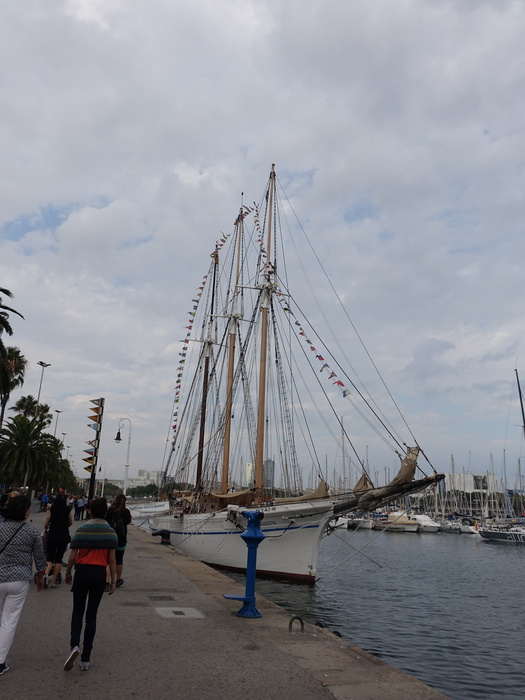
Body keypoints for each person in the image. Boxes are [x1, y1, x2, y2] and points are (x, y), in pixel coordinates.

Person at [64, 497, 117, 672]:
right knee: (92, 615)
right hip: (99, 574)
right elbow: (112, 560)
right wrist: (113, 580)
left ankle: (74, 645)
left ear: (91, 512)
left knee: (77, 611)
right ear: (105, 513)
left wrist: (68, 572)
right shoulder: (110, 533)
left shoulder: (82, 530)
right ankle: (86, 658)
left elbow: (72, 557)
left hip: (82, 572)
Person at [0, 495, 46, 675]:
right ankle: (0, 661)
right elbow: (40, 558)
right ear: (25, 512)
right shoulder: (32, 531)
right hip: (19, 579)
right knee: (9, 621)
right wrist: (41, 577)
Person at [43, 494, 73, 588]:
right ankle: (53, 581)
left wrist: (46, 529)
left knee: (49, 557)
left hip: (52, 534)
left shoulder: (52, 509)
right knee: (59, 559)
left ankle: (46, 574)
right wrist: (65, 527)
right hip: (63, 535)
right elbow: (71, 522)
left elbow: (46, 523)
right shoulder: (68, 509)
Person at [105, 494, 132, 588]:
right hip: (121, 538)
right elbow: (127, 522)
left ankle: (107, 581)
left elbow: (106, 521)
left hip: (110, 537)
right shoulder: (126, 511)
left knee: (109, 560)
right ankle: (118, 579)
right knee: (119, 559)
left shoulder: (110, 510)